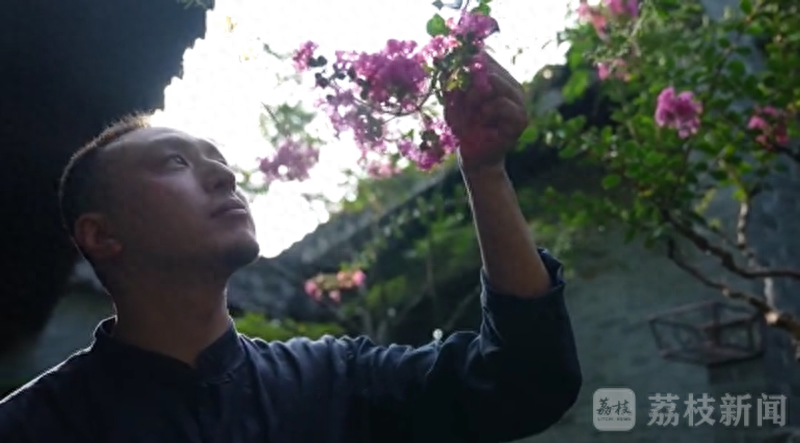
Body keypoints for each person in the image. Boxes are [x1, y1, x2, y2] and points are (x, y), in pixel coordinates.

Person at [0, 54, 581, 443]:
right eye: (176, 162)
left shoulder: (334, 379)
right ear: (101, 236)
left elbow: (523, 383)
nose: (225, 177)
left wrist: (485, 172)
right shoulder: (34, 426)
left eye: (219, 161)